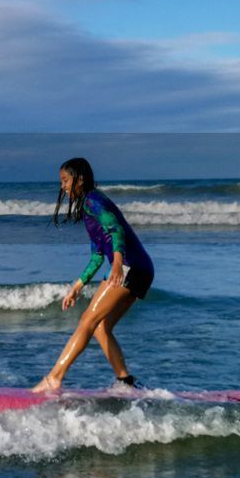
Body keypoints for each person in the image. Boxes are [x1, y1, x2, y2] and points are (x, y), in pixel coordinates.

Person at [34, 157, 155, 392]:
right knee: (101, 327)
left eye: (66, 180)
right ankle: (126, 381)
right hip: (141, 268)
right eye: (61, 181)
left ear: (79, 179)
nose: (63, 186)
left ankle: (54, 378)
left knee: (87, 321)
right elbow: (98, 255)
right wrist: (77, 286)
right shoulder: (89, 207)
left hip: (130, 265)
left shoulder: (93, 201)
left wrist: (118, 263)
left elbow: (115, 229)